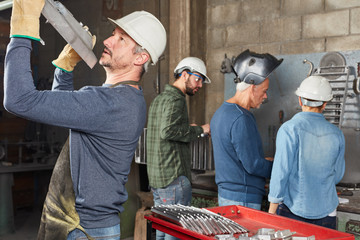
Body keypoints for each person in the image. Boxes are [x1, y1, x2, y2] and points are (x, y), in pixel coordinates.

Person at [4, 1, 166, 239]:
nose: (107, 41)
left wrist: (23, 28)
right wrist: (65, 67)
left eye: (121, 39)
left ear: (140, 57)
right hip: (92, 226)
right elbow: (63, 111)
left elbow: (17, 99)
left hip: (83, 230)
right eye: (113, 34)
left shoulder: (109, 102)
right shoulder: (127, 98)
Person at [268, 75, 345, 229]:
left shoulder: (289, 129)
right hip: (328, 211)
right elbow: (337, 175)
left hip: (294, 210)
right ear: (324, 104)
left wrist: (271, 213)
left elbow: (280, 174)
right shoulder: (337, 133)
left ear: (300, 100)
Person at [146, 57, 211, 240]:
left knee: (162, 230)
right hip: (173, 179)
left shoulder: (159, 99)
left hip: (158, 179)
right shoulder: (177, 100)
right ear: (184, 75)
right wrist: (200, 130)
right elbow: (168, 131)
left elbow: (163, 130)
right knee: (175, 233)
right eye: (197, 79)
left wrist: (187, 127)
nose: (199, 85)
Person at [210, 49, 283, 210]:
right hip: (242, 199)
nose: (265, 97)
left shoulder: (221, 111)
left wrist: (264, 161)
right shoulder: (241, 118)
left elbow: (240, 156)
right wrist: (279, 167)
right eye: (264, 91)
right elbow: (253, 165)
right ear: (251, 86)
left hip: (229, 196)